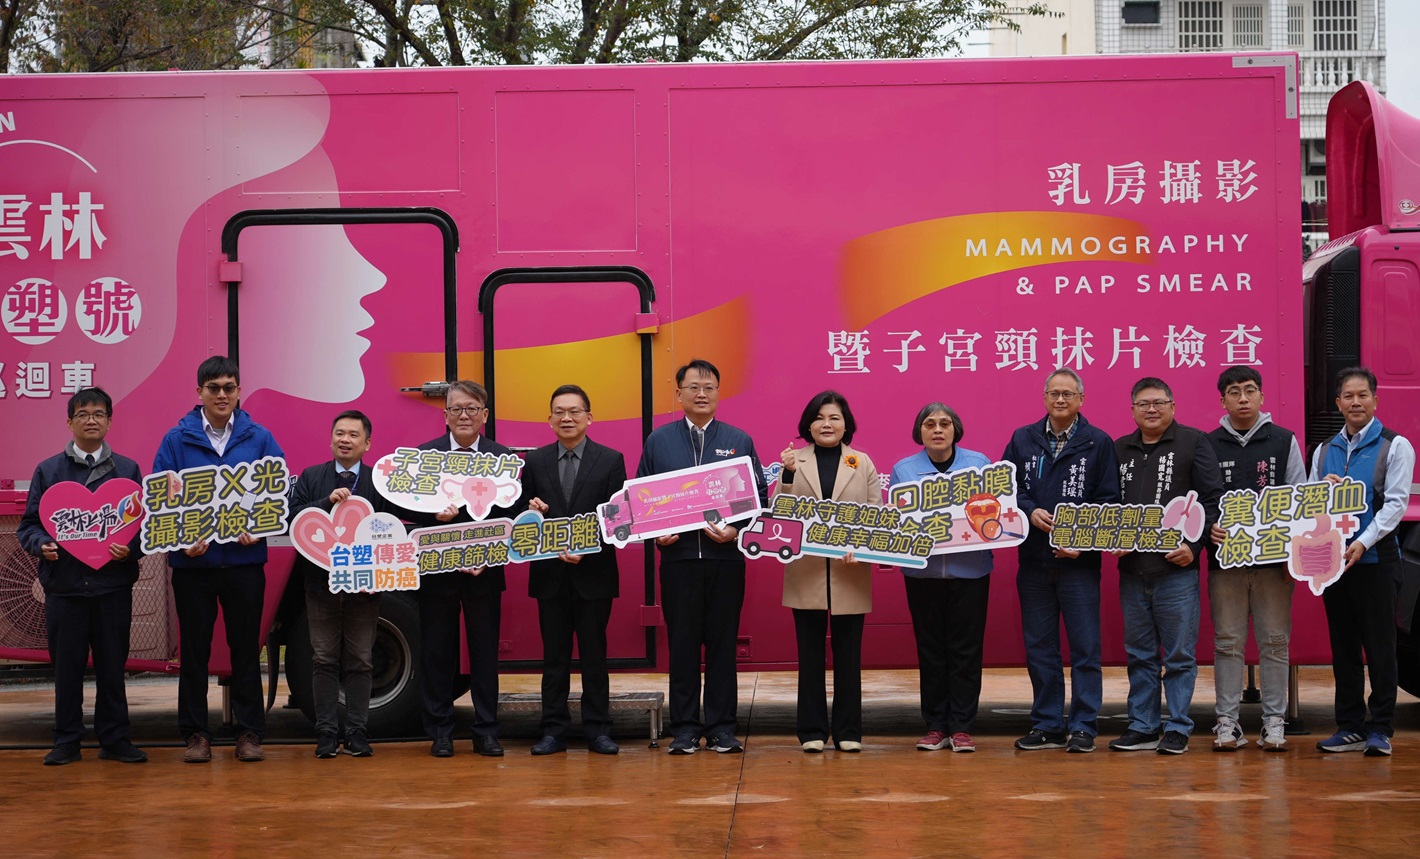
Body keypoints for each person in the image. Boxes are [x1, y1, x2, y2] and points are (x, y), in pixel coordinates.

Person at [154, 356, 284, 763]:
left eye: (229, 387)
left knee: (245, 650)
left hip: (244, 563)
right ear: (200, 392)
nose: (222, 395)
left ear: (239, 391)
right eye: (214, 388)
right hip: (194, 566)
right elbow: (160, 501)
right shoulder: (176, 440)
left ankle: (249, 733)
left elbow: (279, 492)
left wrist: (260, 527)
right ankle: (195, 735)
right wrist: (181, 543)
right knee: (194, 652)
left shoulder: (260, 438)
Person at [636, 359, 769, 755]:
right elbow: (641, 497)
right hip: (678, 561)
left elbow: (758, 497)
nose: (701, 394)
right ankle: (685, 729)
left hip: (724, 560)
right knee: (682, 646)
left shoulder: (738, 440)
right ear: (678, 394)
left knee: (723, 646)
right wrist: (657, 533)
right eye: (693, 387)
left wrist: (736, 530)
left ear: (718, 393)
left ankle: (722, 728)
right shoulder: (659, 441)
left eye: (709, 387)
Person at [19, 388, 147, 766]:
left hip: (112, 587)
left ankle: (115, 740)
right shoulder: (48, 471)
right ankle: (67, 740)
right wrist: (41, 544)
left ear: (109, 421)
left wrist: (131, 549)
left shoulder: (128, 470)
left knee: (112, 669)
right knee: (67, 670)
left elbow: (143, 527)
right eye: (83, 414)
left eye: (98, 414)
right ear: (69, 422)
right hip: (65, 588)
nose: (91, 420)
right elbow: (29, 526)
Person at [1001, 369, 1120, 754]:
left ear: (1081, 399)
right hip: (1034, 562)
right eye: (1054, 393)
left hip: (1079, 566)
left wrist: (1082, 543)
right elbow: (1005, 488)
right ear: (1044, 397)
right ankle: (1048, 723)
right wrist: (1029, 510)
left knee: (1085, 649)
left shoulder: (1098, 442)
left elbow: (1109, 501)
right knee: (1040, 648)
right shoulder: (1023, 438)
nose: (1061, 399)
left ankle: (1084, 726)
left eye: (1068, 393)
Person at [1110, 377, 1223, 756]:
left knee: (1178, 657)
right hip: (1131, 571)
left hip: (1177, 571)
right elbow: (1107, 503)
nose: (1152, 409)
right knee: (1140, 654)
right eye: (1143, 403)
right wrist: (1110, 537)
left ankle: (1177, 726)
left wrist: (1195, 546)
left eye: (1159, 402)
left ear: (1172, 406)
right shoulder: (1119, 449)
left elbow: (1213, 500)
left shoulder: (1194, 442)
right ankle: (1142, 725)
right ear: (1133, 410)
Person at [1309, 366, 1415, 757]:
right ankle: (1349, 726)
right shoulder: (1323, 451)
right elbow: (1309, 506)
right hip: (1334, 564)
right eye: (1348, 396)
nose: (1356, 402)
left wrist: (1363, 542)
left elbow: (1396, 505)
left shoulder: (1395, 446)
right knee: (1344, 649)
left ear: (1375, 400)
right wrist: (1321, 491)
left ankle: (1381, 728)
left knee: (1381, 647)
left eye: (1363, 395)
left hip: (1377, 562)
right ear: (1338, 403)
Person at [522, 385, 626, 756]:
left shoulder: (611, 460)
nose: (567, 418)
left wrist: (586, 549)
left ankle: (598, 730)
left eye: (574, 411)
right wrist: (532, 510)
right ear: (550, 419)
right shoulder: (534, 462)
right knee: (555, 658)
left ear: (589, 417)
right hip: (550, 576)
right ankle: (553, 731)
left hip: (593, 574)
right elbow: (522, 517)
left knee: (595, 657)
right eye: (559, 412)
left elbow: (618, 518)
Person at [1205, 367, 1306, 752]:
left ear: (1262, 397)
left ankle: (1274, 722)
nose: (1243, 398)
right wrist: (1209, 527)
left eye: (1250, 390)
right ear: (1223, 400)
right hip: (1225, 563)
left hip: (1273, 564)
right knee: (1227, 642)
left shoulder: (1283, 441)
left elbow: (1299, 499)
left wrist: (1293, 554)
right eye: (1234, 392)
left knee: (1275, 642)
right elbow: (1200, 500)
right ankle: (1227, 722)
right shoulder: (1208, 443)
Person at [775, 391, 878, 753]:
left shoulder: (861, 462)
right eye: (819, 418)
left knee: (849, 658)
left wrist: (861, 546)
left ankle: (849, 731)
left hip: (850, 572)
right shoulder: (794, 460)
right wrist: (787, 474)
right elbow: (779, 513)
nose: (826, 424)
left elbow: (875, 516)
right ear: (809, 425)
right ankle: (811, 731)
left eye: (834, 417)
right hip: (806, 572)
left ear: (846, 424)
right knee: (810, 658)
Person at [889, 402, 994, 753]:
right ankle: (935, 725)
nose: (937, 430)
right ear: (919, 431)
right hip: (923, 575)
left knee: (967, 650)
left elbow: (995, 512)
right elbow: (896, 521)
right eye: (930, 424)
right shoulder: (904, 470)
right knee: (931, 649)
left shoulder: (979, 465)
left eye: (945, 423)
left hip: (971, 572)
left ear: (955, 429)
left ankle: (962, 727)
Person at [416, 380, 512, 758]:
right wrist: (433, 516)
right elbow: (405, 509)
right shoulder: (425, 457)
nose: (464, 416)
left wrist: (486, 554)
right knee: (437, 652)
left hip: (484, 572)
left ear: (484, 415)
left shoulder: (501, 458)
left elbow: (509, 514)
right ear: (445, 416)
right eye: (456, 409)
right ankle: (440, 731)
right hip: (438, 571)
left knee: (484, 654)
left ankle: (486, 730)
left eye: (472, 408)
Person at [288, 410, 385, 759]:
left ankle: (357, 732)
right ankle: (327, 733)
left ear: (367, 444)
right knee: (324, 659)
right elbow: (291, 517)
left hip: (365, 588)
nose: (345, 440)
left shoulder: (378, 482)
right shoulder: (312, 477)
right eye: (339, 433)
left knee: (361, 659)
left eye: (353, 435)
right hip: (320, 586)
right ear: (331, 440)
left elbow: (391, 526)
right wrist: (325, 502)